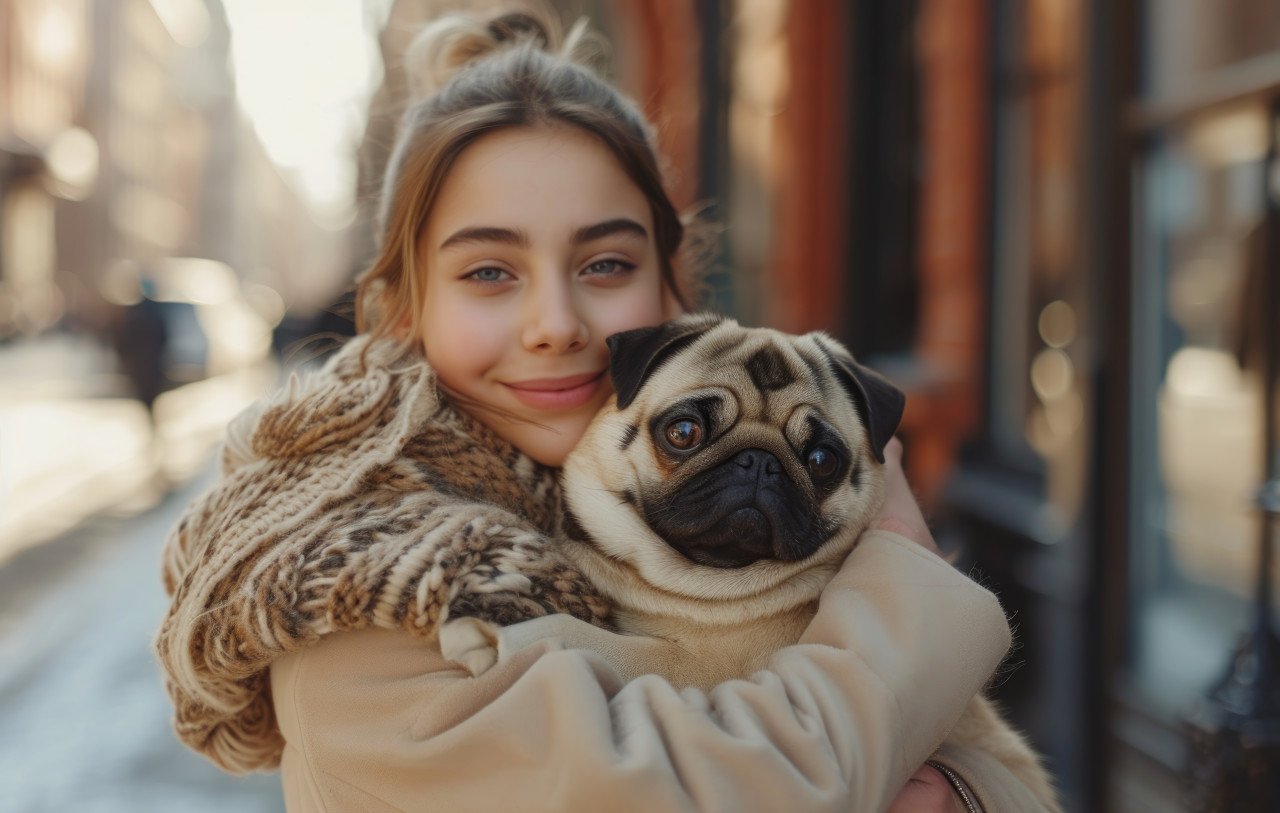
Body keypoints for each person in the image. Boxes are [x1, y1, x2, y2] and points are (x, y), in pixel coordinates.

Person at [156, 10, 1042, 812]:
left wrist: (957, 791)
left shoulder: (657, 515)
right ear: (402, 307)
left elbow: (993, 769)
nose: (555, 325)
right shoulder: (355, 577)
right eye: (490, 272)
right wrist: (907, 576)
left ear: (674, 291)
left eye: (607, 265)